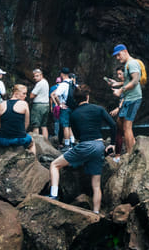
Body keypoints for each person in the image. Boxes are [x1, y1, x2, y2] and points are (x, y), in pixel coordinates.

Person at [47, 84, 116, 214]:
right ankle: (96, 214)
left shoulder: (74, 114)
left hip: (85, 146)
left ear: (75, 99)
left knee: (54, 165)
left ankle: (54, 195)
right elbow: (113, 125)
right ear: (87, 97)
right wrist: (112, 144)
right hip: (99, 146)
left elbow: (78, 136)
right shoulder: (99, 109)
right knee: (96, 185)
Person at [112, 44, 142, 156]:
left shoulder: (132, 63)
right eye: (115, 56)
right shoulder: (127, 64)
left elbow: (135, 81)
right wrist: (118, 84)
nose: (117, 58)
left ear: (125, 51)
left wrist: (120, 90)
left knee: (127, 127)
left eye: (118, 55)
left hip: (133, 99)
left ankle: (130, 154)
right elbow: (128, 80)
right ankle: (133, 145)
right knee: (120, 122)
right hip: (128, 98)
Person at [0, 84, 36, 155]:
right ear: (16, 94)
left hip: (2, 140)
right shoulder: (24, 104)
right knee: (32, 142)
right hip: (19, 139)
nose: (25, 96)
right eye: (23, 93)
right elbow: (26, 123)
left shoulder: (1, 104)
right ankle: (33, 162)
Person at [52, 68, 76, 147]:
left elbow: (56, 95)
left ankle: (67, 144)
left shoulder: (63, 84)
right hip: (73, 107)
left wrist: (60, 104)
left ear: (62, 74)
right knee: (70, 126)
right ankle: (72, 142)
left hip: (65, 108)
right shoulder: (73, 83)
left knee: (65, 126)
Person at [29, 68, 51, 139]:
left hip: (38, 106)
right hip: (46, 105)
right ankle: (46, 143)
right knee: (44, 125)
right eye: (34, 76)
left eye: (37, 76)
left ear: (41, 75)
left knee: (36, 125)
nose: (35, 78)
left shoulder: (40, 83)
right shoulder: (45, 82)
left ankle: (36, 143)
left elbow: (32, 95)